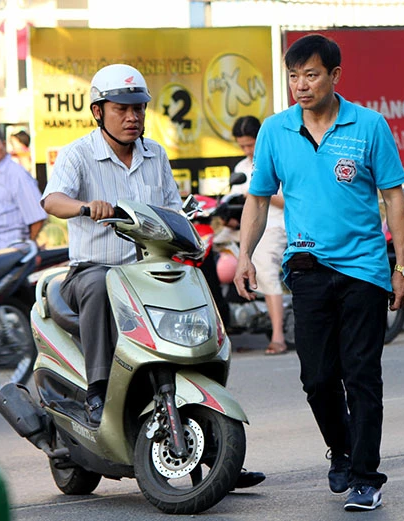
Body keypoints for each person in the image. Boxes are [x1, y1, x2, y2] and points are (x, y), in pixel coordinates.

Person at [41, 63, 265, 488]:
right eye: (122, 108)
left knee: (197, 284)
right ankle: (97, 389)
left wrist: (190, 234)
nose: (132, 117)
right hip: (95, 269)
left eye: (138, 108)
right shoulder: (78, 153)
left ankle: (215, 443)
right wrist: (88, 207)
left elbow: (170, 209)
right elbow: (52, 200)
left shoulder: (155, 154)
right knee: (98, 285)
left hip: (148, 269)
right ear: (98, 111)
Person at [233, 34, 404, 511]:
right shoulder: (275, 130)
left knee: (362, 376)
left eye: (310, 75)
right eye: (293, 76)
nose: (300, 85)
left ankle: (366, 477)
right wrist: (245, 254)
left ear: (335, 76)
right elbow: (257, 198)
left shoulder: (370, 126)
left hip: (366, 270)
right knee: (316, 377)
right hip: (307, 266)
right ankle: (343, 448)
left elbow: (394, 198)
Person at [230, 115, 289, 355]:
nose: (247, 150)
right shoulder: (241, 168)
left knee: (264, 269)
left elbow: (287, 201)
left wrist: (255, 194)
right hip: (246, 229)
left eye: (251, 144)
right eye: (242, 145)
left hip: (275, 226)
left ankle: (278, 336)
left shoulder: (278, 159)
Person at [0, 124, 48, 251]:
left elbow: (37, 217)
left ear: (3, 144)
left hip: (11, 252)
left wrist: (27, 247)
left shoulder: (17, 174)